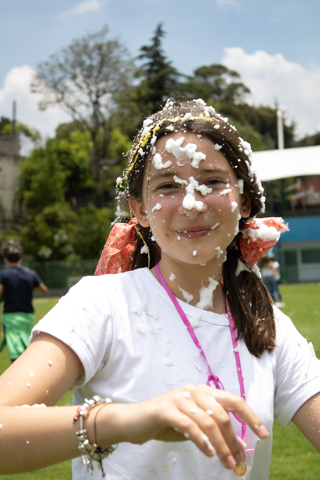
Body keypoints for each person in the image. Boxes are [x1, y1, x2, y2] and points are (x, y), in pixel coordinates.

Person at [0, 99, 319, 480]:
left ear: (244, 200)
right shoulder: (102, 305)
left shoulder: (270, 328)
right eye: (167, 186)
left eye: (212, 182)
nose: (191, 203)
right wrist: (126, 420)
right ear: (141, 209)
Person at [0, 240, 48, 362]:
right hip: (28, 316)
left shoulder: (3, 275)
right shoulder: (30, 273)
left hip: (11, 317)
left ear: (5, 258)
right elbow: (44, 290)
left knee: (15, 350)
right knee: (27, 346)